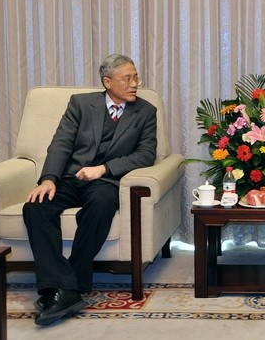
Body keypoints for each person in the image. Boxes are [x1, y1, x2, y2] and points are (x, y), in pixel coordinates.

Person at [23, 54, 157, 325]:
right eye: (127, 78)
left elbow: (145, 155)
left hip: (106, 182)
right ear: (107, 82)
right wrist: (48, 179)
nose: (134, 84)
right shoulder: (81, 104)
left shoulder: (145, 111)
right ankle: (67, 288)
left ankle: (62, 287)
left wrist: (104, 169)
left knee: (101, 205)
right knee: (35, 207)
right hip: (70, 178)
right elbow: (61, 143)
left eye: (136, 77)